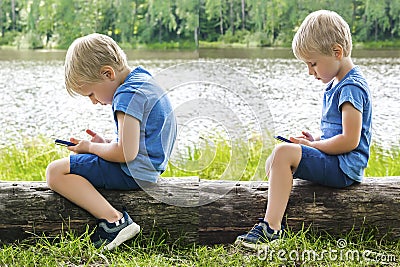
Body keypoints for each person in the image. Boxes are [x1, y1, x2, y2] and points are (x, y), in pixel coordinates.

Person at [235, 10, 372, 249]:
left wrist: (312, 146)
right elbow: (338, 133)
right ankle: (277, 210)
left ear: (337, 52)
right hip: (336, 160)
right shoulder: (338, 83)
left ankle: (271, 229)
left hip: (344, 167)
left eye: (313, 64)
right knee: (273, 160)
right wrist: (316, 139)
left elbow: (351, 141)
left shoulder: (351, 88)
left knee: (282, 154)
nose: (310, 72)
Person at [46, 33, 177, 250]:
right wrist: (104, 142)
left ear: (108, 73)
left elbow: (126, 153)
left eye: (91, 94)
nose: (94, 102)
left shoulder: (126, 95)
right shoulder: (142, 80)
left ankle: (114, 221)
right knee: (78, 161)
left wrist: (90, 147)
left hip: (134, 172)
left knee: (55, 171)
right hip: (149, 169)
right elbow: (138, 140)